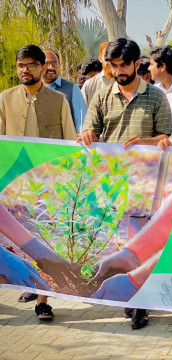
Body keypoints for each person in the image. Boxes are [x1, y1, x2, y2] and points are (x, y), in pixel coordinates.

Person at [79, 38, 172, 329]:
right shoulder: (101, 96)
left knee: (140, 246)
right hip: (111, 183)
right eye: (114, 65)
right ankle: (124, 298)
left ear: (136, 64)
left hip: (146, 185)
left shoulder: (156, 97)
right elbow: (88, 130)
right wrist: (87, 137)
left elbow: (167, 139)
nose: (119, 71)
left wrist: (150, 141)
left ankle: (141, 306)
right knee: (117, 243)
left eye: (124, 65)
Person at [0, 44, 78, 318]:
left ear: (43, 67)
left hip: (49, 186)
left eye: (32, 64)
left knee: (47, 241)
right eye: (21, 65)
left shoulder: (59, 101)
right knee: (12, 243)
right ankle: (20, 285)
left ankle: (44, 300)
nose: (25, 70)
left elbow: (69, 144)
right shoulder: (5, 99)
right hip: (12, 186)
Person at [42, 50, 86, 133]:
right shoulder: (34, 89)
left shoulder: (72, 88)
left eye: (55, 63)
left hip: (65, 143)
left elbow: (81, 122)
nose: (51, 67)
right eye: (47, 64)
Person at [81, 42, 114, 106]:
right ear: (100, 59)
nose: (110, 60)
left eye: (113, 56)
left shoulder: (127, 81)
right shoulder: (89, 85)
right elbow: (83, 111)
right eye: (106, 56)